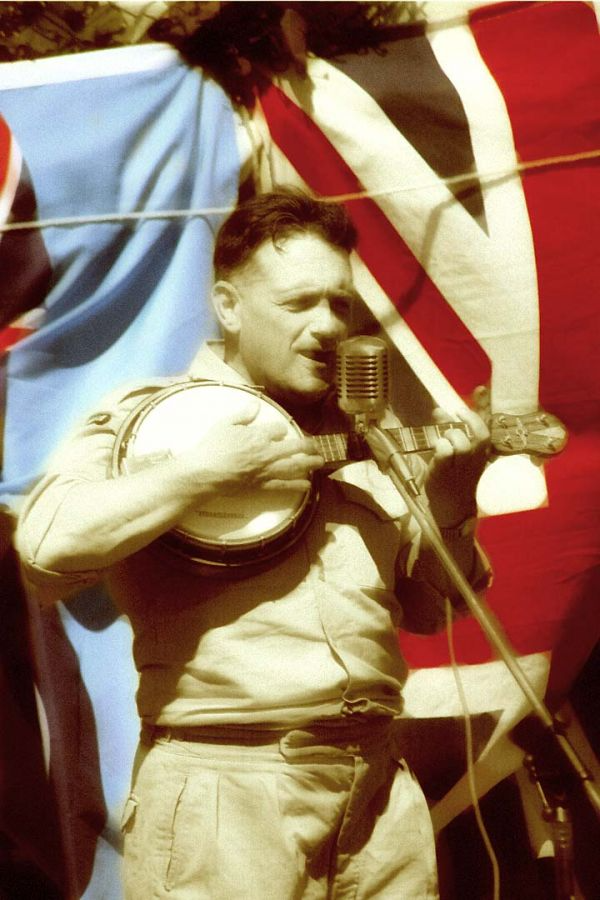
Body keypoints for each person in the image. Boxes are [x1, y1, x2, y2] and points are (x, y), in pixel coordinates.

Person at [16, 189, 491, 899]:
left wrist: (452, 506)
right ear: (230, 307)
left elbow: (431, 612)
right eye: (300, 304)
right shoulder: (157, 419)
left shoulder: (372, 431)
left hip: (378, 795)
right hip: (226, 795)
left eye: (340, 303)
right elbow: (46, 551)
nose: (329, 325)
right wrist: (203, 472)